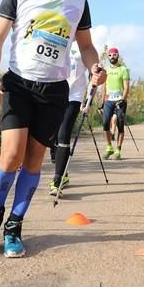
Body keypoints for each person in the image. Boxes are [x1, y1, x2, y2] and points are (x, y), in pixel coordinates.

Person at [0, 0, 106, 258]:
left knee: (33, 160)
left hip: (54, 92)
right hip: (19, 84)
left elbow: (87, 47)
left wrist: (95, 68)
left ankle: (15, 225)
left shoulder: (79, 3)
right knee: (11, 155)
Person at [48, 48, 92, 197]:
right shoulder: (60, 38)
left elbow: (93, 72)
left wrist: (89, 100)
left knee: (63, 133)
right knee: (52, 135)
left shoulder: (84, 44)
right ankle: (63, 171)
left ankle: (57, 180)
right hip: (56, 92)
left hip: (75, 95)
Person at [102, 47, 130, 160]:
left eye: (114, 55)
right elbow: (104, 86)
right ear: (107, 57)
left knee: (120, 125)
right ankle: (109, 147)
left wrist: (123, 99)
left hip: (120, 101)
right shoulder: (106, 70)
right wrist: (102, 101)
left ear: (117, 56)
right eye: (109, 55)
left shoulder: (123, 69)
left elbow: (126, 87)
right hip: (109, 101)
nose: (112, 57)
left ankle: (118, 149)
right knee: (105, 123)